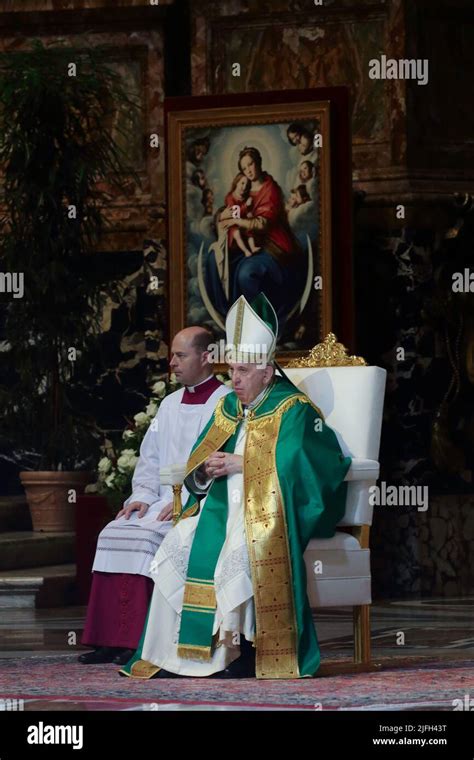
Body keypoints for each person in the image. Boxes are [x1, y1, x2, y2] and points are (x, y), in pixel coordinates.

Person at [120, 294, 351, 680]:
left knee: (239, 552)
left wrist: (244, 464)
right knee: (178, 543)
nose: (235, 380)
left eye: (243, 371)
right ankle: (176, 655)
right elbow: (198, 461)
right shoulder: (228, 408)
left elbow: (315, 464)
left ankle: (246, 652)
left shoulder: (293, 409)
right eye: (232, 370)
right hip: (221, 509)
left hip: (267, 515)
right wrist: (206, 470)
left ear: (267, 372)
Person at [78, 326, 230, 665]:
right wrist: (142, 496)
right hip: (159, 502)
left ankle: (138, 641)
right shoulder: (170, 404)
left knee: (148, 538)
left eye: (180, 355)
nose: (172, 363)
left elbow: (220, 466)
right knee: (114, 532)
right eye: (171, 355)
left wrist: (187, 504)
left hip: (197, 505)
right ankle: (108, 639)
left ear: (207, 357)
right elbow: (150, 459)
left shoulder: (225, 405)